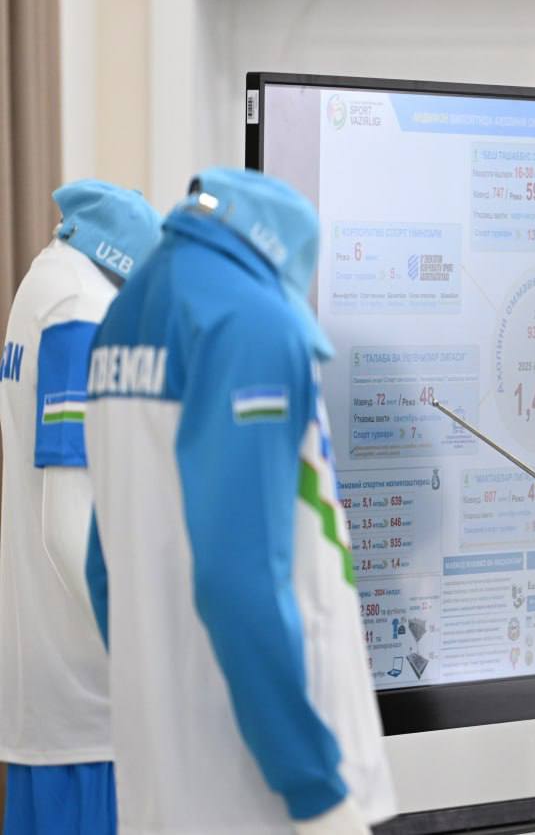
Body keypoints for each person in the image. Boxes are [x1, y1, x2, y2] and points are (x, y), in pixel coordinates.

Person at [82, 168, 396, 834]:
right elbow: (239, 578)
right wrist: (315, 789)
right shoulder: (252, 324)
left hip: (160, 779)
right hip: (259, 793)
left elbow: (102, 568)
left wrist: (159, 701)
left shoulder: (122, 315)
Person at [0, 180, 163, 835]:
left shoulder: (43, 282)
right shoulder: (84, 312)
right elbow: (69, 530)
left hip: (51, 698)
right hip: (96, 718)